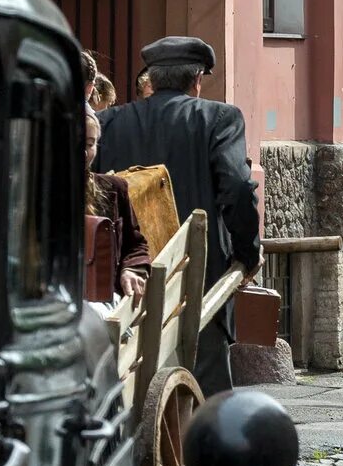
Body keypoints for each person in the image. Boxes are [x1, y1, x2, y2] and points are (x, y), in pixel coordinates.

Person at [96, 35, 261, 395]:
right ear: (197, 80)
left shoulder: (107, 122)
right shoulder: (220, 118)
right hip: (197, 278)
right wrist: (247, 254)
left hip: (126, 281)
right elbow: (237, 186)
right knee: (206, 394)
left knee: (125, 385)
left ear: (150, 80)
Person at [83, 109, 149, 301]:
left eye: (90, 144)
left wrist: (130, 270)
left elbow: (135, 244)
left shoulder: (113, 188)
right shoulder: (36, 192)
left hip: (103, 303)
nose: (84, 152)